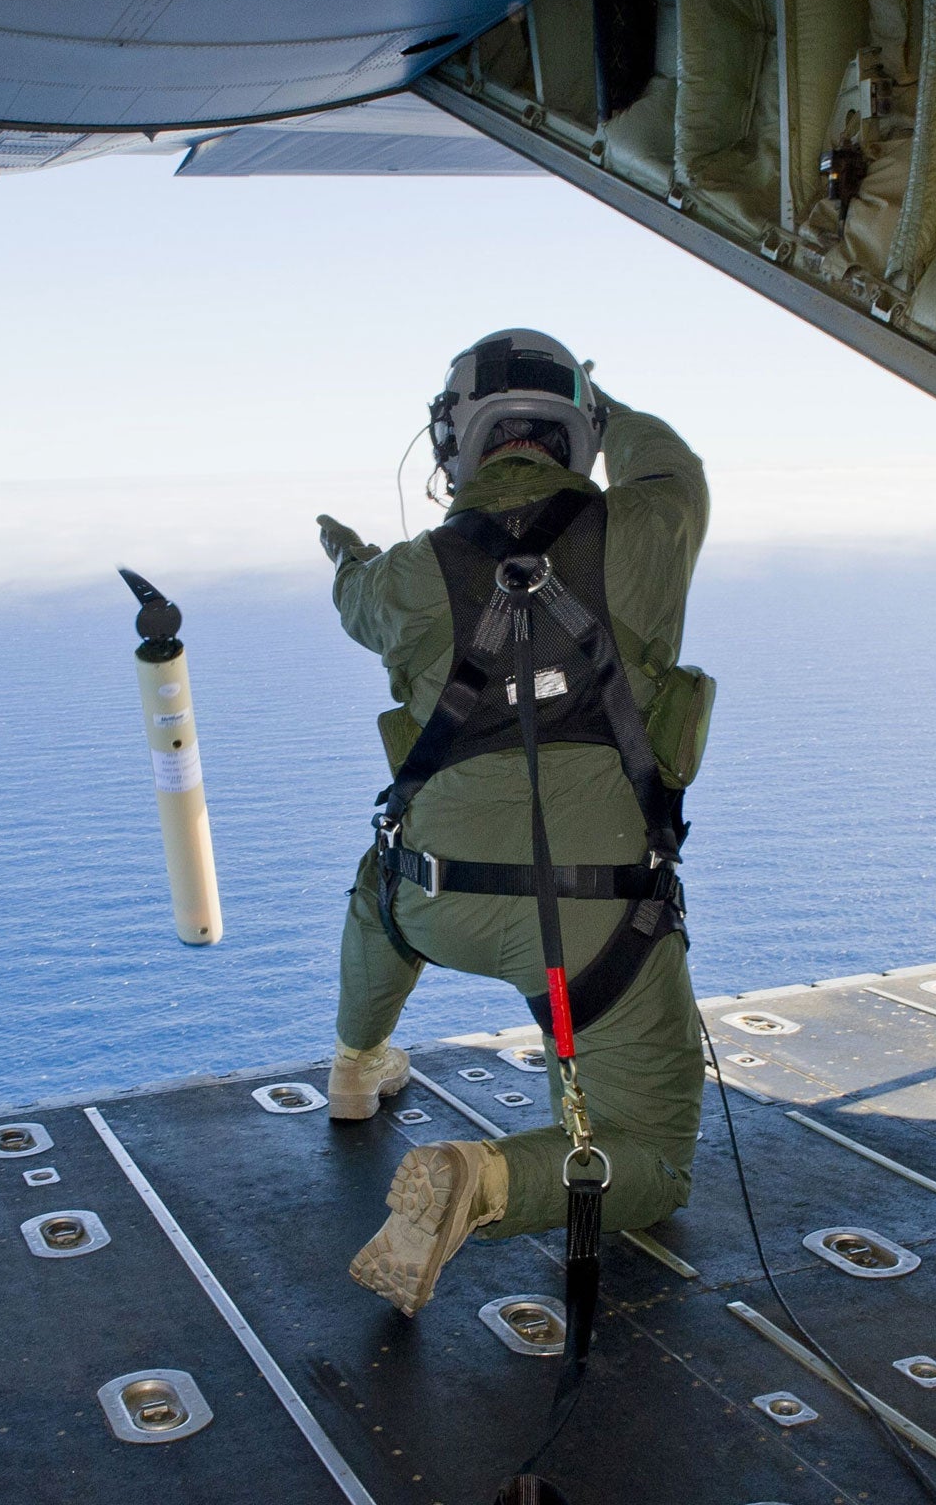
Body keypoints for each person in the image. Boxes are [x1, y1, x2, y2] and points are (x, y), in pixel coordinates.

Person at [317, 330, 712, 1314]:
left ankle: (355, 1072)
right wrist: (604, 406)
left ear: (454, 449)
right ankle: (487, 1181)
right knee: (653, 1161)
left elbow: (354, 598)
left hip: (436, 897)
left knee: (377, 893)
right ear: (578, 436)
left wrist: (352, 557)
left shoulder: (407, 577)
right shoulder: (650, 527)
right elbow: (675, 466)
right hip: (599, 927)